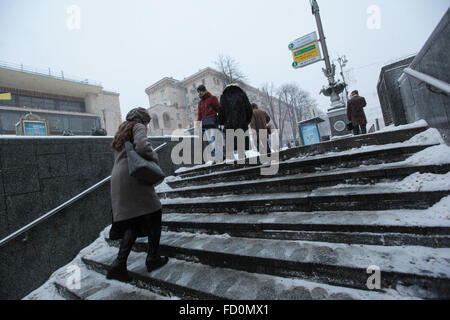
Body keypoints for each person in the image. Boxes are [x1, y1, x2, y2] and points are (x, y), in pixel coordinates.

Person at [107, 107, 168, 282]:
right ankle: (153, 258)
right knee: (155, 213)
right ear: (142, 119)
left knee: (133, 221)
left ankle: (119, 264)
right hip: (133, 177)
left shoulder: (122, 129)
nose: (147, 125)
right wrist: (154, 157)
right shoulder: (138, 126)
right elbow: (142, 147)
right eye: (147, 122)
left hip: (119, 178)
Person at [218, 84, 253, 159]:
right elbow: (249, 109)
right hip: (241, 123)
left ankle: (232, 163)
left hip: (229, 124)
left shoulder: (223, 96)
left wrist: (221, 122)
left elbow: (221, 110)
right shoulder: (242, 95)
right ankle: (243, 160)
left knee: (231, 144)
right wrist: (247, 120)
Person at [195, 85, 222, 164]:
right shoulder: (200, 103)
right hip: (206, 124)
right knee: (211, 141)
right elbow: (199, 115)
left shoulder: (212, 98)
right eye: (198, 92)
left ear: (205, 90)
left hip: (213, 122)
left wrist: (220, 121)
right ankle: (221, 155)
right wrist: (197, 123)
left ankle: (216, 157)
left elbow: (218, 109)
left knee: (213, 139)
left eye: (201, 91)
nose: (199, 93)